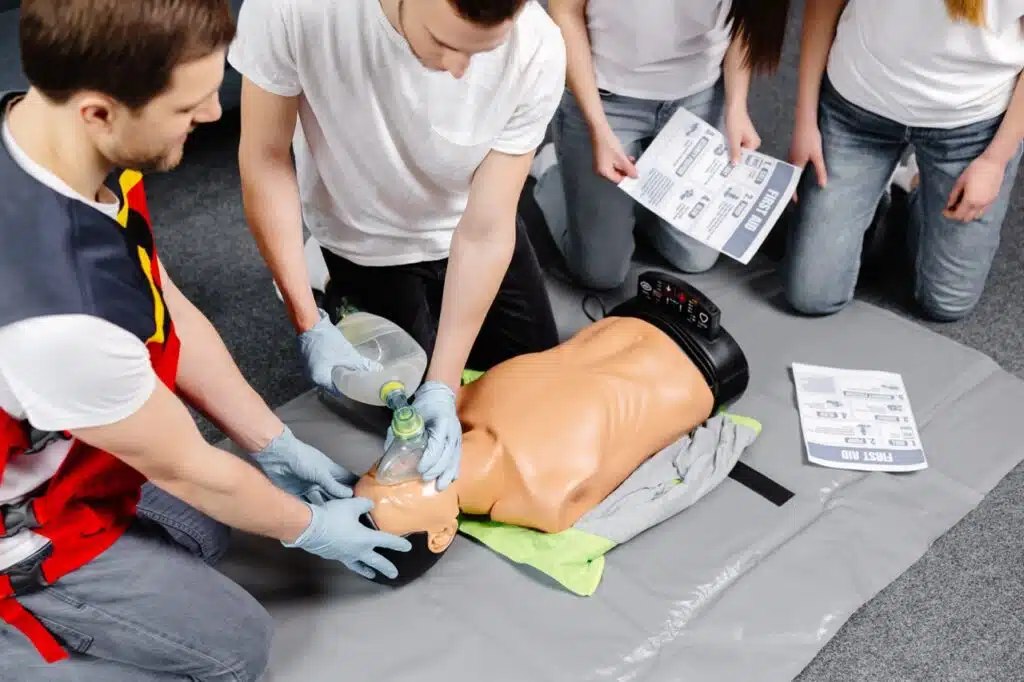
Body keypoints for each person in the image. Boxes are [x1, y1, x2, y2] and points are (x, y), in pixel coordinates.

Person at [0, 2, 412, 679]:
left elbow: (163, 306)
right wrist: (305, 528)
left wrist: (270, 442)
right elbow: (186, 467)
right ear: (99, 111)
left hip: (59, 431)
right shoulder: (57, 318)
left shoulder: (50, 138)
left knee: (205, 533)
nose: (215, 114)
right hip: (17, 514)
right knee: (233, 649)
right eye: (187, 104)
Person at [227, 0, 568, 493]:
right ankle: (321, 279)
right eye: (445, 44)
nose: (457, 71)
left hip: (465, 223)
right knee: (392, 419)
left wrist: (442, 385)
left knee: (534, 397)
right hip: (364, 236)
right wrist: (307, 320)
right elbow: (264, 159)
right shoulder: (293, 9)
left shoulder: (537, 47)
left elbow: (486, 229)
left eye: (480, 53)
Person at [345, 290, 751, 585]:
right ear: (441, 534)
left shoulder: (454, 405)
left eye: (377, 470)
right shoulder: (546, 499)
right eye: (398, 494)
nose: (399, 466)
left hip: (632, 315)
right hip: (703, 367)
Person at [784, 0, 1024, 322]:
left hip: (972, 126)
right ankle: (872, 191)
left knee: (946, 304)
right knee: (811, 295)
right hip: (856, 111)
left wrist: (996, 159)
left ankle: (914, 186)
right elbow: (822, 5)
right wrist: (805, 120)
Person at [535, 0, 792, 290]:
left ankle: (633, 196)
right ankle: (553, 169)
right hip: (605, 94)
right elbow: (565, 13)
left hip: (698, 92)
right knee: (600, 274)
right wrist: (597, 127)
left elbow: (748, 17)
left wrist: (736, 105)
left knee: (695, 258)